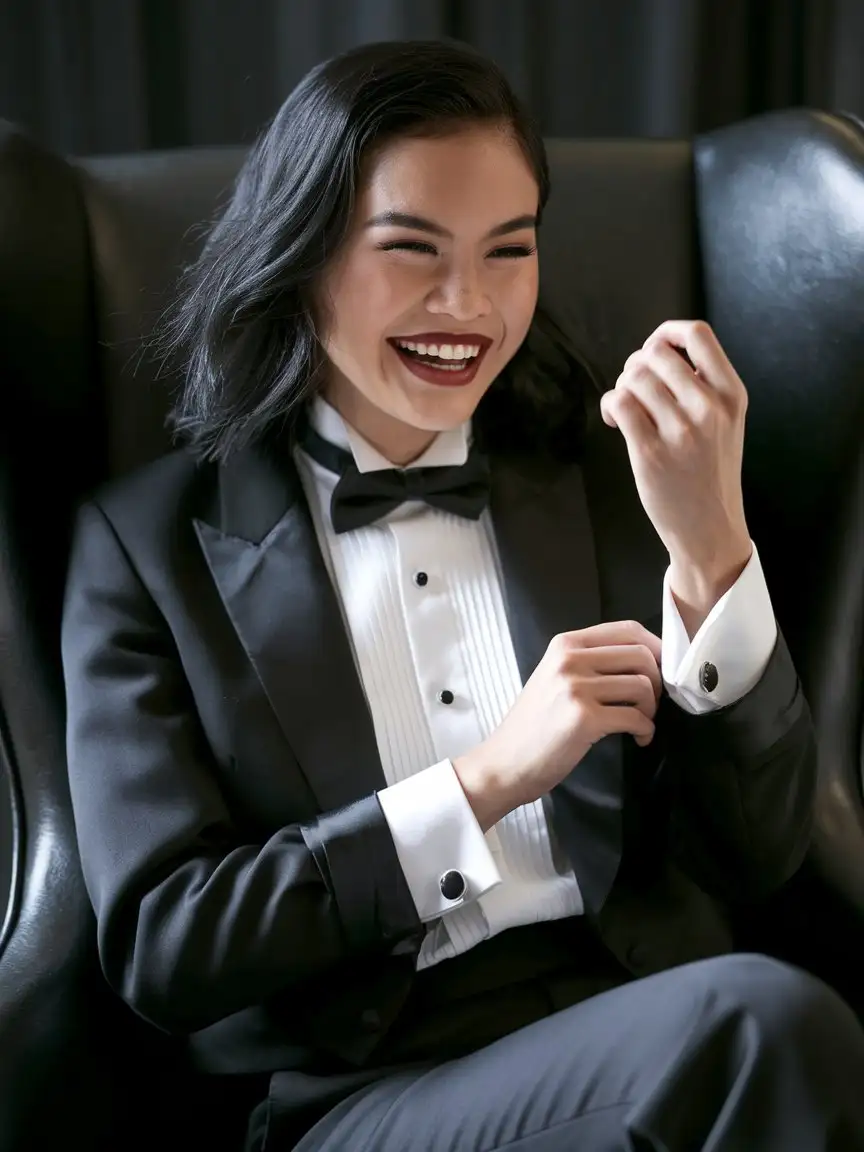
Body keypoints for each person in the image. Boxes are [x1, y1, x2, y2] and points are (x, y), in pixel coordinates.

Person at [61, 37, 864, 1152]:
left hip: (639, 1019)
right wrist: (485, 782)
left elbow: (760, 856)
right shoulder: (142, 548)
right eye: (411, 249)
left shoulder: (610, 471)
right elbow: (166, 948)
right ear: (301, 256)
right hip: (360, 1095)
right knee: (765, 1025)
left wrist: (713, 553)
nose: (468, 305)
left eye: (509, 251)